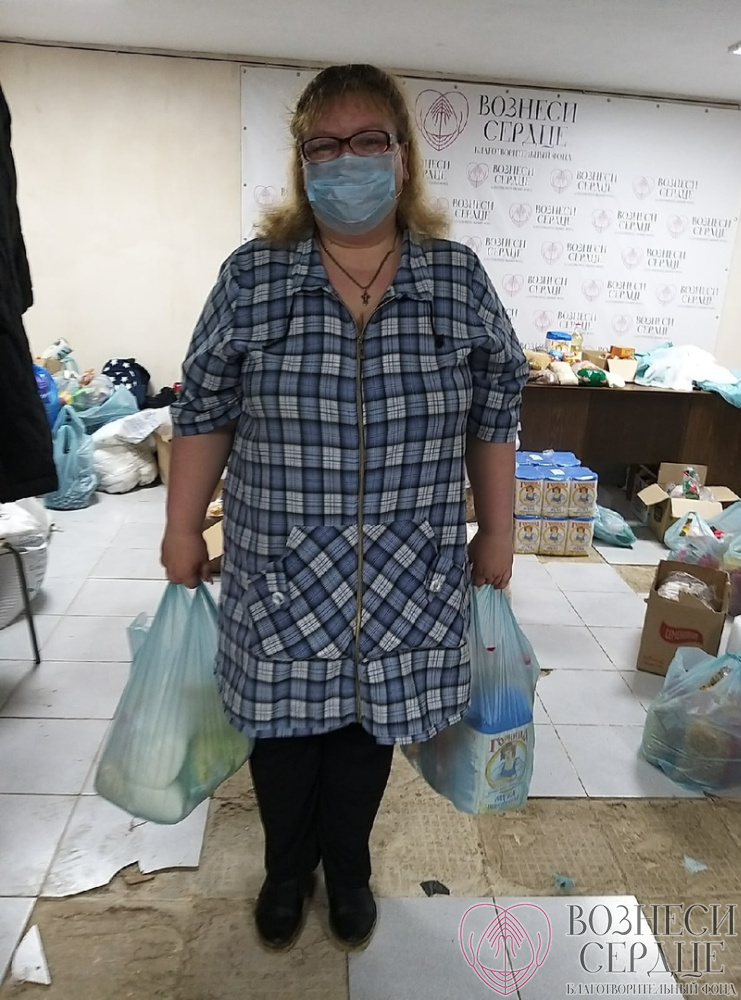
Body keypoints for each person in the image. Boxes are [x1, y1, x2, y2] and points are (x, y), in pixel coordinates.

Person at [161, 63, 528, 952]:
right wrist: (180, 527)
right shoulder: (253, 278)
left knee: (369, 733)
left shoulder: (455, 278)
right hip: (284, 568)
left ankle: (350, 869)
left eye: (369, 140)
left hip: (409, 567)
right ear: (301, 164)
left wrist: (499, 529)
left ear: (403, 156)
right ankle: (286, 869)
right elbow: (204, 410)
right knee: (283, 736)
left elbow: (495, 411)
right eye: (323, 145)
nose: (347, 159)